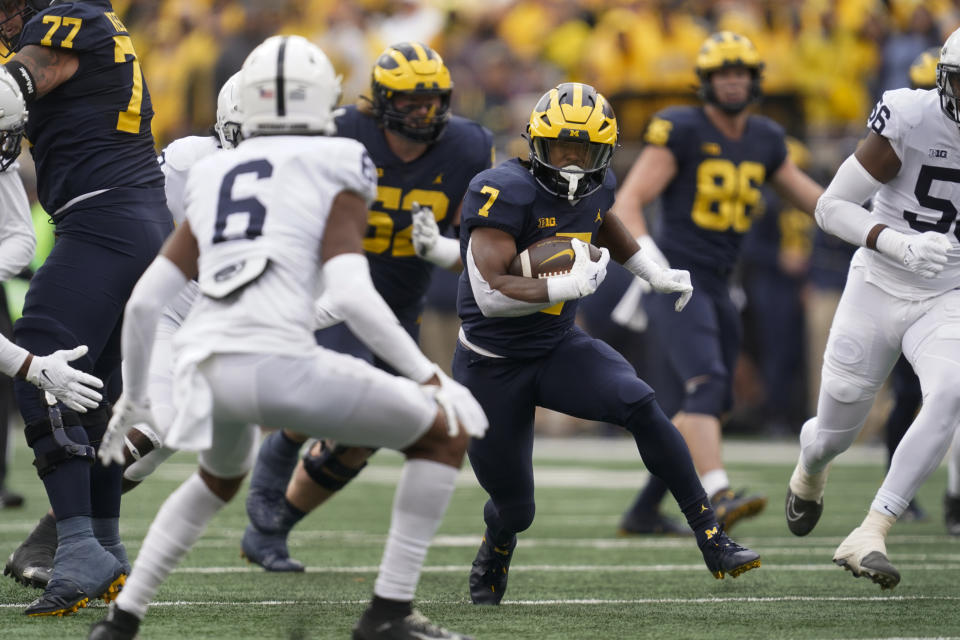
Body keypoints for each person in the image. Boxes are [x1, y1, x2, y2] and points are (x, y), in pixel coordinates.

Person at [87, 35, 487, 640]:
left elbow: (145, 300)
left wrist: (138, 395)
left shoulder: (214, 169)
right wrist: (431, 376)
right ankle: (388, 614)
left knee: (216, 480)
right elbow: (352, 293)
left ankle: (122, 622)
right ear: (323, 97)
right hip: (281, 365)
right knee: (446, 434)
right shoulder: (340, 159)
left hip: (208, 368)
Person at [455, 80, 760, 606]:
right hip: (492, 364)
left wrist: (654, 272)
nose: (573, 163)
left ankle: (711, 533)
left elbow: (606, 223)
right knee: (514, 506)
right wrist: (563, 286)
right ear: (536, 143)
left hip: (555, 347)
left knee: (640, 403)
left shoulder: (599, 187)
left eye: (585, 150)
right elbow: (490, 295)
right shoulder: (503, 189)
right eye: (562, 148)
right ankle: (498, 542)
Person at [241, 41, 493, 572]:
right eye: (410, 103)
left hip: (399, 299)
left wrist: (441, 248)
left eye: (433, 101)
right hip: (330, 291)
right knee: (335, 388)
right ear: (380, 101)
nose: (424, 113)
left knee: (364, 435)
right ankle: (281, 447)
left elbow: (474, 255)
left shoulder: (469, 146)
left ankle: (273, 527)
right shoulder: (337, 133)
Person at [2, 70, 243, 591]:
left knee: (155, 444)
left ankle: (71, 537)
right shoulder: (188, 161)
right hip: (168, 309)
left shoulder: (315, 180)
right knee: (148, 424)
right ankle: (68, 538)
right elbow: (145, 222)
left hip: (224, 321)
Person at [610, 32, 823, 535]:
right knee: (705, 384)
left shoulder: (767, 138)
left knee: (714, 403)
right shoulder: (680, 128)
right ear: (705, 82)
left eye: (740, 72)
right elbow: (629, 201)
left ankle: (644, 511)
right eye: (722, 73)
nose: (732, 81)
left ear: (754, 80)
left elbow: (817, 202)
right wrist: (651, 265)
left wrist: (878, 224)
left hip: (724, 283)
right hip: (677, 280)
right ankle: (718, 493)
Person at [0, 0, 172, 616]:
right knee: (92, 393)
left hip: (105, 220)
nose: (5, 21)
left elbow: (17, 85)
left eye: (13, 7)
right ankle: (105, 542)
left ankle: (74, 545)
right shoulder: (96, 25)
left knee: (39, 361)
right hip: (136, 218)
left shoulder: (65, 25)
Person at [785, 27, 960, 589]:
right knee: (832, 435)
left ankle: (873, 527)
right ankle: (809, 473)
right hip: (879, 282)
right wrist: (898, 241)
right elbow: (830, 207)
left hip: (947, 294)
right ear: (943, 81)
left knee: (953, 390)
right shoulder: (911, 118)